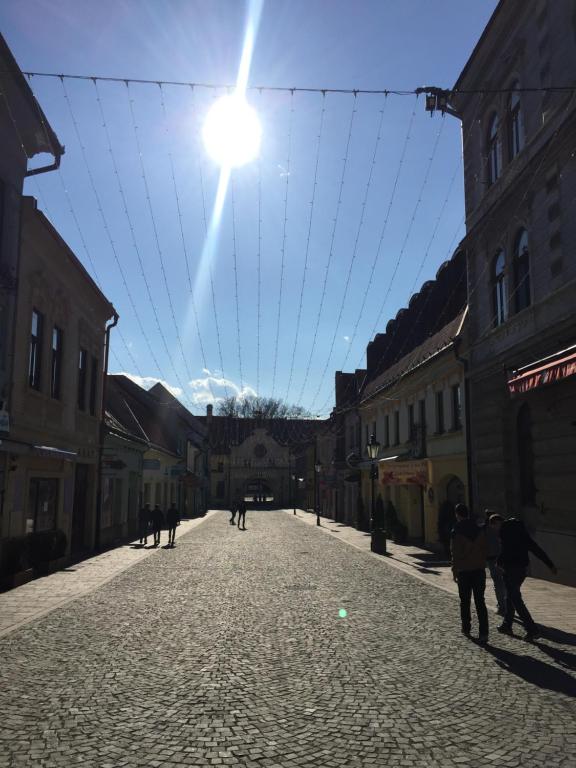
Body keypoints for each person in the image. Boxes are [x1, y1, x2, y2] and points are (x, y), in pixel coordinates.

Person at [497, 518, 557, 641]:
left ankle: (532, 629)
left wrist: (499, 563)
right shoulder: (523, 537)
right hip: (521, 571)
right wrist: (550, 564)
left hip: (510, 570)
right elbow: (537, 550)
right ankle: (507, 625)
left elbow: (504, 552)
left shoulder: (506, 535)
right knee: (510, 597)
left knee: (516, 600)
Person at [451, 503, 489, 644]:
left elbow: (455, 552)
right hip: (479, 569)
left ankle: (466, 627)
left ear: (457, 514)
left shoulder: (457, 529)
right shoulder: (478, 527)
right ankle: (484, 632)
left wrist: (454, 569)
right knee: (480, 601)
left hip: (464, 570)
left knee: (465, 601)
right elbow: (485, 547)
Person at [485, 512, 506, 615]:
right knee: (498, 583)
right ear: (492, 524)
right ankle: (502, 605)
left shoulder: (503, 532)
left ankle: (503, 605)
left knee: (502, 583)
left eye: (500, 524)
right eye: (498, 524)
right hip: (492, 560)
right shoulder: (487, 532)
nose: (500, 526)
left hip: (502, 560)